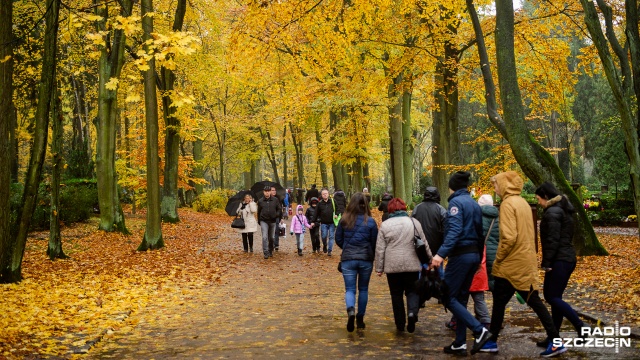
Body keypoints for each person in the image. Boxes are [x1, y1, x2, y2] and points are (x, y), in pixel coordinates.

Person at [479, 172, 565, 357]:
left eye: (496, 185)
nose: (494, 188)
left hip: (512, 265)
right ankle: (492, 340)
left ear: (504, 185)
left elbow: (509, 238)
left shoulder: (508, 204)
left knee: (531, 302)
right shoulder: (523, 203)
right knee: (502, 301)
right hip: (523, 261)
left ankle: (556, 341)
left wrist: (498, 259)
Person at [429, 171, 491, 356]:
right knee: (461, 298)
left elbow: (454, 231)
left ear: (452, 186)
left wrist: (440, 255)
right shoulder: (473, 203)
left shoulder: (455, 203)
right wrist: (479, 258)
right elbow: (480, 234)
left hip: (460, 256)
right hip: (473, 256)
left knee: (448, 296)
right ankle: (460, 343)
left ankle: (479, 331)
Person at [534, 182, 586, 348]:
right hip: (566, 258)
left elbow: (553, 240)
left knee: (551, 296)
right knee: (555, 297)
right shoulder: (563, 209)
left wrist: (546, 263)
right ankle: (553, 336)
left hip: (560, 260)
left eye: (538, 199)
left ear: (546, 197)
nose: (538, 202)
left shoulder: (552, 212)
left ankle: (580, 326)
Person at [376, 197, 432, 333]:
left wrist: (379, 268)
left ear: (389, 209)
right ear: (404, 208)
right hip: (411, 264)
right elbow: (423, 243)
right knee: (412, 291)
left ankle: (400, 324)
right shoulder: (414, 223)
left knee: (396, 295)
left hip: (392, 266)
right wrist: (430, 260)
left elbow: (380, 249)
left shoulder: (385, 225)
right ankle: (412, 313)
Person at [335, 192, 378, 332]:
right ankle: (360, 318)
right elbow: (374, 242)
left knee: (350, 289)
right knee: (363, 289)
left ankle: (350, 310)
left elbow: (338, 239)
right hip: (365, 259)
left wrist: (347, 247)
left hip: (348, 259)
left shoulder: (344, 220)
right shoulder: (370, 221)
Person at [478, 194, 500, 292]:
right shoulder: (498, 217)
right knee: (492, 277)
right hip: (495, 251)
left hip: (481, 250)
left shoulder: (477, 216)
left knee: (481, 274)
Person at [258, 185, 282, 259]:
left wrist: (276, 215)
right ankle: (265, 252)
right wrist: (259, 220)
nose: (267, 193)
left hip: (272, 221)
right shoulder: (260, 201)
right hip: (264, 221)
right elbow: (259, 211)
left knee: (271, 237)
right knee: (264, 237)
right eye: (266, 191)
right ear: (263, 192)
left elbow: (279, 209)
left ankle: (270, 250)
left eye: (268, 191)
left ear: (270, 192)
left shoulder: (275, 200)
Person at [311, 188, 337, 256]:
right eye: (323, 194)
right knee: (324, 236)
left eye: (326, 194)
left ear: (328, 194)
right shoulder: (319, 204)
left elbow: (338, 209)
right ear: (321, 195)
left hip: (332, 223)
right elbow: (316, 213)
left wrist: (336, 214)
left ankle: (329, 251)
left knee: (331, 237)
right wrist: (313, 221)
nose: (325, 195)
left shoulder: (333, 201)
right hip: (324, 223)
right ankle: (325, 245)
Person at [271, 186, 285, 252]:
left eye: (275, 190)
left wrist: (281, 217)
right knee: (271, 231)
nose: (274, 191)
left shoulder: (278, 199)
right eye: (272, 190)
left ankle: (276, 244)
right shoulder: (267, 199)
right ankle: (271, 244)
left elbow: (280, 209)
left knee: (276, 230)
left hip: (277, 217)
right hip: (269, 217)